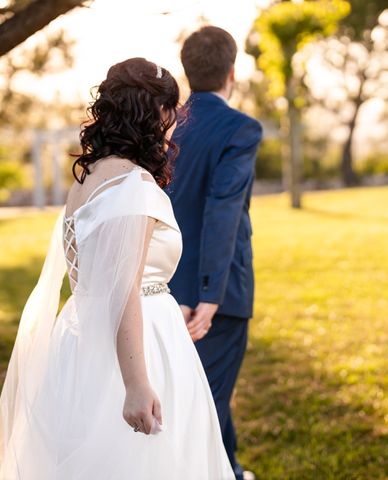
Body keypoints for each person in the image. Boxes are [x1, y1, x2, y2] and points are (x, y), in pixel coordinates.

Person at [0, 57, 235, 480]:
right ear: (157, 114)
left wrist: (162, 299)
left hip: (82, 336)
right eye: (173, 112)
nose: (176, 122)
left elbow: (104, 275)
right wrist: (137, 385)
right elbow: (125, 292)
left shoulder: (87, 180)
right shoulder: (135, 186)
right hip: (135, 349)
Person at [166, 26, 263, 480]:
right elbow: (222, 208)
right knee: (207, 397)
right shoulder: (241, 128)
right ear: (231, 72)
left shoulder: (166, 125)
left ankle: (232, 468)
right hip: (216, 295)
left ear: (188, 71)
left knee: (203, 392)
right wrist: (210, 295)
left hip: (163, 286)